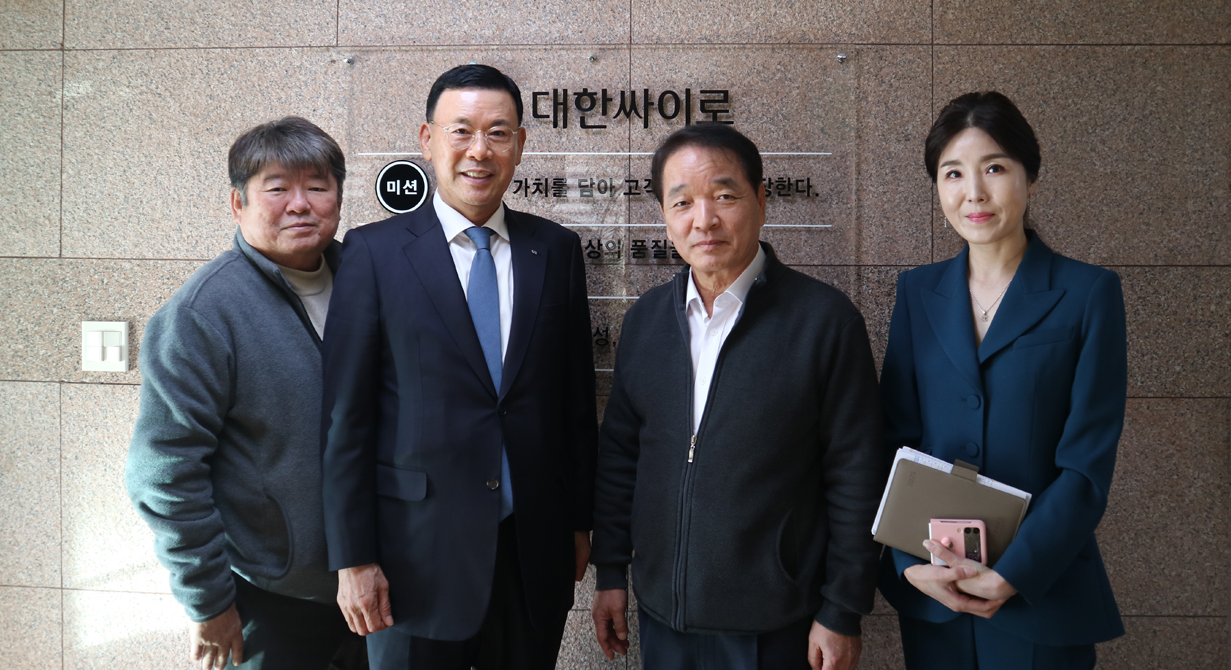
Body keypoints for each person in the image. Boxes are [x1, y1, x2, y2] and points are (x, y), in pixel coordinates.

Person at [320, 64, 597, 670]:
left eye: (498, 133)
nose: (479, 150)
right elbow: (345, 420)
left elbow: (575, 401)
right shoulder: (375, 253)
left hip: (532, 552)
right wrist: (352, 559)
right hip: (412, 559)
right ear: (427, 140)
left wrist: (579, 523)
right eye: (462, 130)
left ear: (519, 145)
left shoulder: (555, 250)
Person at [589, 124, 884, 670]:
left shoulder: (824, 322)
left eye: (725, 196)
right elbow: (621, 458)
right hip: (662, 615)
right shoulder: (646, 321)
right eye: (683, 202)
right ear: (664, 215)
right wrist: (610, 573)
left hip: (777, 623)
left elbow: (857, 473)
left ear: (761, 200)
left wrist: (843, 608)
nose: (704, 220)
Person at [878, 91, 1127, 669]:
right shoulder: (917, 292)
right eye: (953, 173)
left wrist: (1014, 572)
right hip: (935, 598)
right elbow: (895, 440)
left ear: (1029, 176)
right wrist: (909, 564)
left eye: (994, 168)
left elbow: (1086, 466)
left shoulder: (1088, 293)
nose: (974, 192)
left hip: (1041, 594)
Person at [127, 117, 365, 670]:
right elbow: (164, 473)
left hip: (374, 577)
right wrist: (208, 600)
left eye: (318, 186)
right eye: (277, 188)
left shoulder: (365, 280)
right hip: (271, 591)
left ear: (338, 197)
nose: (300, 204)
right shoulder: (202, 314)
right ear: (238, 203)